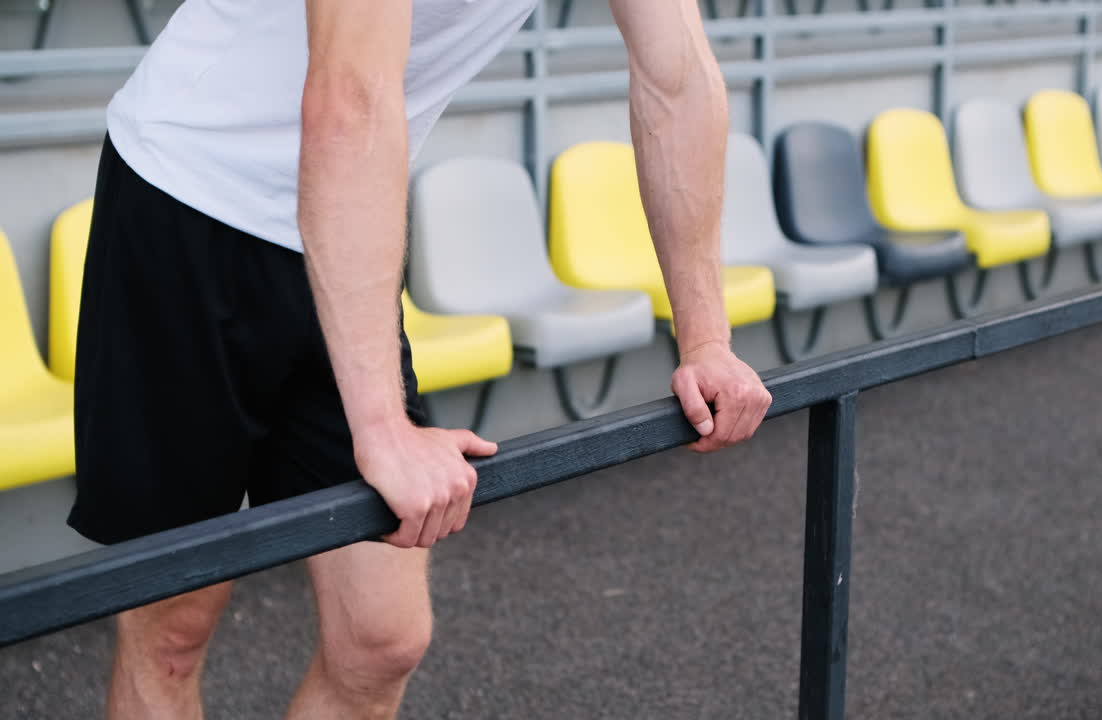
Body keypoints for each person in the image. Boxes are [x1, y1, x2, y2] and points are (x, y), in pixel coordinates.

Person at [66, 1, 772, 718]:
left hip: (342, 221)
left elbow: (676, 75)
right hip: (187, 195)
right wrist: (380, 427)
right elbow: (349, 98)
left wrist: (706, 338)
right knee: (173, 627)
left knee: (381, 640)